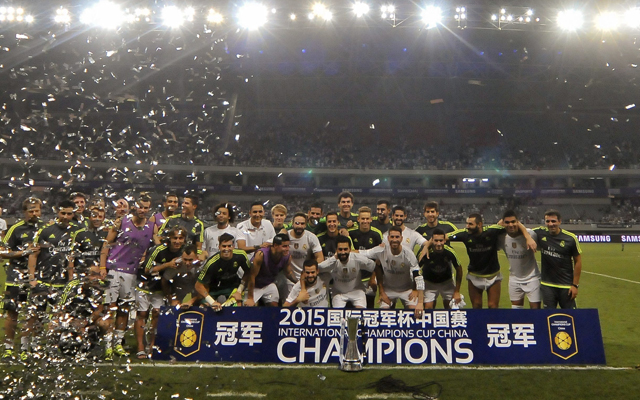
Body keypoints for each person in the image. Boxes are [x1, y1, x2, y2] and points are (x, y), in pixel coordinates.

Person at [100, 194, 154, 358]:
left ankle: (118, 344)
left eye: (146, 207)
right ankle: (108, 345)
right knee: (110, 308)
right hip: (114, 269)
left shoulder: (151, 226)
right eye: (140, 206)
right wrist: (103, 266)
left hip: (131, 273)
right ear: (134, 207)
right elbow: (106, 244)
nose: (143, 210)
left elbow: (154, 246)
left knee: (124, 309)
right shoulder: (121, 222)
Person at [24, 200, 77, 360]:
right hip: (43, 281)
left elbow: (71, 259)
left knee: (59, 317)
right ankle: (32, 346)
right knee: (36, 315)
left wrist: (71, 280)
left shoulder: (75, 232)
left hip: (61, 283)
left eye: (69, 213)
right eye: (63, 213)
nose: (66, 216)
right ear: (57, 213)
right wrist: (32, 277)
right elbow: (33, 255)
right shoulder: (45, 231)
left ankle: (52, 347)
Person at [448, 213, 535, 309]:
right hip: (474, 276)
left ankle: (491, 324)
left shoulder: (492, 231)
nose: (467, 226)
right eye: (467, 224)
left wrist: (528, 237)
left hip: (493, 276)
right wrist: (428, 245)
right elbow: (442, 237)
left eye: (470, 224)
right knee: (476, 306)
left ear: (479, 224)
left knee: (492, 306)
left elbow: (514, 224)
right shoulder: (464, 234)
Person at [134, 226, 187, 359]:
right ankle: (140, 346)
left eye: (180, 238)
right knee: (142, 313)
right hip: (145, 285)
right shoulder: (158, 249)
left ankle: (152, 345)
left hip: (160, 288)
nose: (177, 241)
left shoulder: (183, 253)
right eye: (175, 238)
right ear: (169, 239)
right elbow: (147, 270)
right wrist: (167, 265)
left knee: (157, 314)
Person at [1, 197, 42, 359]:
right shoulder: (16, 229)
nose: (34, 214)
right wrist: (23, 253)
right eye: (31, 211)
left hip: (36, 277)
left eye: (36, 210)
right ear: (24, 212)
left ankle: (25, 347)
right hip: (16, 277)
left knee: (33, 313)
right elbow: (2, 252)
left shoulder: (45, 228)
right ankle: (9, 347)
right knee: (12, 313)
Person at [360, 226, 423, 315]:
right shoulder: (381, 250)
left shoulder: (408, 254)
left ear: (401, 238)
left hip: (406, 290)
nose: (394, 239)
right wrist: (344, 253)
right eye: (392, 237)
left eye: (397, 237)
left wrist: (419, 301)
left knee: (414, 312)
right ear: (388, 238)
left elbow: (418, 276)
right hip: (388, 290)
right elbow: (363, 253)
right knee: (383, 313)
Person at [54, 270, 113, 360]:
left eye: (97, 275)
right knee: (53, 324)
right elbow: (61, 307)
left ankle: (107, 349)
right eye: (93, 275)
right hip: (72, 317)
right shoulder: (72, 285)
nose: (96, 278)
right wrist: (71, 320)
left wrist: (86, 322)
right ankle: (56, 350)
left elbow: (99, 310)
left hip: (90, 319)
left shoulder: (103, 287)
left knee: (105, 322)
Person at [533, 210, 582, 309]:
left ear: (559, 221)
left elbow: (578, 262)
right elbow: (524, 231)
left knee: (571, 316)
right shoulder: (540, 233)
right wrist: (529, 239)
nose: (551, 224)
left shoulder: (570, 238)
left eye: (553, 221)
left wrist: (575, 285)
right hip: (547, 285)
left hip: (566, 286)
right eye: (548, 221)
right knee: (548, 317)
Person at [191, 234, 250, 310]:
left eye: (229, 246)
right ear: (219, 247)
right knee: (204, 307)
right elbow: (198, 285)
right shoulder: (212, 263)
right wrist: (212, 302)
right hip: (214, 288)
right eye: (224, 246)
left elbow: (248, 272)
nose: (226, 249)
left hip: (232, 286)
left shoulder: (241, 255)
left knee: (238, 305)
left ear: (233, 246)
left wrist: (239, 290)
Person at [318, 236, 375, 308]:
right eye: (340, 249)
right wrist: (333, 259)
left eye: (345, 249)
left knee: (359, 314)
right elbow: (318, 268)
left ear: (350, 249)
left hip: (357, 290)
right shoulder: (332, 262)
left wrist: (373, 279)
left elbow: (374, 266)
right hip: (338, 293)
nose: (343, 252)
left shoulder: (357, 258)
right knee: (338, 316)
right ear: (336, 250)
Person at [499, 210, 541, 309]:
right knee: (516, 311)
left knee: (536, 311)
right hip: (514, 278)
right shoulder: (501, 237)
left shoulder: (530, 234)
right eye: (507, 222)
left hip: (532, 278)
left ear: (518, 222)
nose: (511, 225)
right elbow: (495, 228)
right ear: (503, 223)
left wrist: (527, 236)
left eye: (513, 222)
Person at [245, 233, 294, 307]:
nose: (287, 249)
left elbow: (289, 273)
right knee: (249, 307)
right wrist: (250, 298)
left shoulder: (287, 256)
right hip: (255, 285)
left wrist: (299, 283)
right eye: (284, 246)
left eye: (288, 246)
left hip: (268, 284)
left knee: (274, 306)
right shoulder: (261, 254)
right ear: (275, 245)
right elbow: (252, 276)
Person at [348, 206, 383, 308]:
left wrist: (373, 278)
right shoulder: (351, 233)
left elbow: (379, 258)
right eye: (363, 218)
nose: (365, 221)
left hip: (369, 277)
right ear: (358, 219)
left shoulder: (376, 234)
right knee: (352, 306)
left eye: (367, 218)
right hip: (354, 278)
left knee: (369, 306)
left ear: (371, 219)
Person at [419, 229, 463, 309]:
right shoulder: (425, 252)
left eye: (441, 240)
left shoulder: (450, 251)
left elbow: (459, 269)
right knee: (428, 308)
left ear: (444, 241)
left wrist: (457, 291)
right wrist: (416, 289)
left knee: (450, 306)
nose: (438, 243)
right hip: (429, 283)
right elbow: (415, 268)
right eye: (436, 241)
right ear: (432, 240)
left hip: (447, 282)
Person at [68, 205, 108, 280]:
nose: (97, 219)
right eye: (94, 216)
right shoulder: (80, 233)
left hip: (101, 274)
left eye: (100, 217)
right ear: (89, 217)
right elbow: (71, 257)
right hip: (83, 274)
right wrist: (70, 277)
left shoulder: (107, 233)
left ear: (103, 218)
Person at [287, 213, 324, 289]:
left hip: (307, 276)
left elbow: (320, 258)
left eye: (302, 223)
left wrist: (310, 272)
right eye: (297, 223)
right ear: (292, 224)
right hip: (289, 277)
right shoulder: (286, 236)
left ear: (305, 225)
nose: (299, 226)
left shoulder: (311, 237)